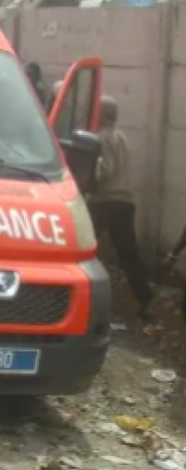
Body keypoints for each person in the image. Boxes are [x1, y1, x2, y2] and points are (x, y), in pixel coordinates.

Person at [89, 96, 154, 320]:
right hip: (124, 202)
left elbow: (104, 170)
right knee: (129, 254)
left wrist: (87, 177)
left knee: (83, 250)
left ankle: (83, 297)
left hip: (103, 202)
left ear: (101, 114)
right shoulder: (121, 137)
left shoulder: (99, 139)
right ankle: (145, 295)